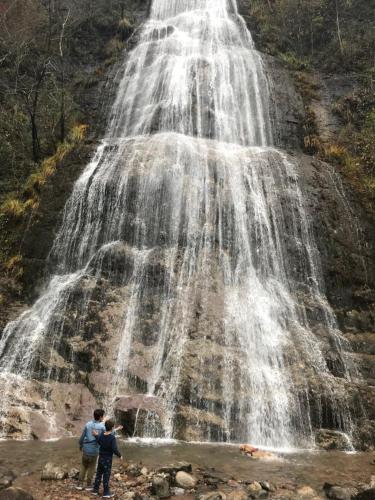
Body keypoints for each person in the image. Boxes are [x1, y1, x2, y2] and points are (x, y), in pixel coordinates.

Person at [75, 409, 106, 491]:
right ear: (100, 417)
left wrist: (80, 445)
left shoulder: (88, 424)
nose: (103, 417)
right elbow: (106, 436)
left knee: (83, 465)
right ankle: (89, 485)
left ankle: (79, 484)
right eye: (103, 416)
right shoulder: (102, 427)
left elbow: (82, 437)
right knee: (92, 467)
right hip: (94, 451)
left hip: (86, 449)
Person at [92, 419, 123, 498]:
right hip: (107, 459)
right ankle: (106, 492)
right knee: (106, 475)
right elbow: (114, 449)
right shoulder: (112, 438)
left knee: (98, 474)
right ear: (112, 428)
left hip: (101, 458)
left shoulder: (102, 434)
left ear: (105, 427)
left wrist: (96, 435)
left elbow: (99, 441)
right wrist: (120, 455)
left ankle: (95, 490)